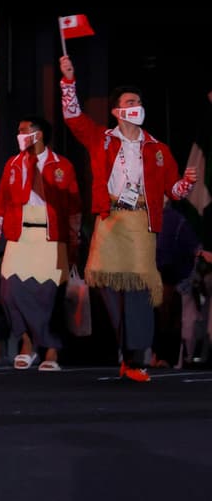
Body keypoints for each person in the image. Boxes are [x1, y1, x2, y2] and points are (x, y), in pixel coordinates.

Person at [59, 56, 197, 382]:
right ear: (116, 111)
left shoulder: (158, 148)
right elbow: (73, 118)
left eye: (138, 102)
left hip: (139, 223)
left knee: (136, 288)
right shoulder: (102, 139)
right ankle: (126, 349)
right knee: (108, 287)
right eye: (129, 102)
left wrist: (187, 183)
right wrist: (67, 81)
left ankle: (135, 359)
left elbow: (173, 190)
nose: (136, 106)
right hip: (110, 220)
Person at [0, 115, 81, 372]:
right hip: (20, 236)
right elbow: (2, 203)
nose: (19, 134)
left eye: (23, 130)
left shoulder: (62, 166)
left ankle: (50, 350)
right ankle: (26, 342)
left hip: (51, 238)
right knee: (9, 292)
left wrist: (74, 243)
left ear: (37, 135)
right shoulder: (13, 164)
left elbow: (73, 209)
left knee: (49, 296)